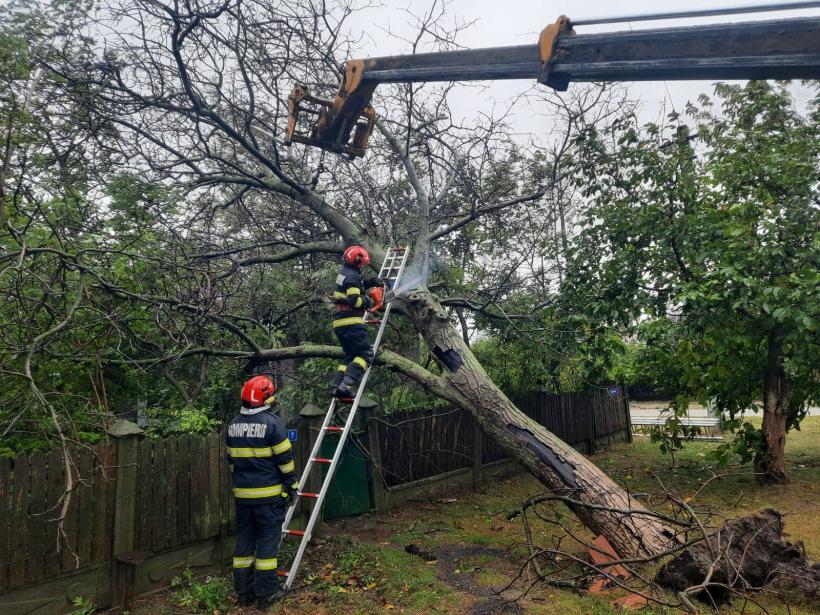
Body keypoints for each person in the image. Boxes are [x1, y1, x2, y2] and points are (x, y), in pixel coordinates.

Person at [226, 375, 299, 608]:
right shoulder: (272, 424)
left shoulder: (233, 425)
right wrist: (292, 485)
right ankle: (267, 593)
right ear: (265, 398)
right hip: (268, 498)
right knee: (267, 543)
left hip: (243, 497)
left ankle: (244, 592)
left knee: (244, 544)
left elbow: (231, 462)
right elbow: (285, 460)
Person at [330, 245, 385, 400]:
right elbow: (354, 300)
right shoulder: (352, 275)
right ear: (356, 261)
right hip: (351, 322)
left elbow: (355, 286)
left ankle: (336, 386)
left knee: (349, 356)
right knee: (365, 354)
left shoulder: (346, 272)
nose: (362, 266)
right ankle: (345, 386)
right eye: (362, 263)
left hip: (340, 322)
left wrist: (371, 282)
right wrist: (370, 300)